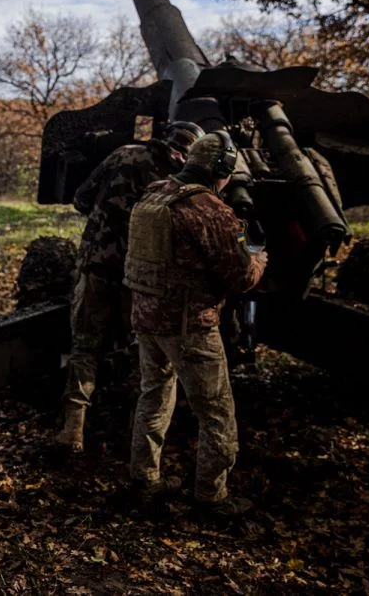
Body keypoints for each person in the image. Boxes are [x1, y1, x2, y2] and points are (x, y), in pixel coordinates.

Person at [123, 131, 267, 516]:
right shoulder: (209, 210)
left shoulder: (154, 193)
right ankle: (211, 497)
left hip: (146, 316)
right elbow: (240, 279)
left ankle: (144, 478)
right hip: (189, 325)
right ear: (221, 170)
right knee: (217, 412)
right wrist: (259, 258)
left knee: (153, 396)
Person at [52, 122, 200, 453]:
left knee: (86, 347)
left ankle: (72, 429)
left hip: (97, 266)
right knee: (143, 351)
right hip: (140, 277)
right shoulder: (182, 180)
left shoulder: (123, 154)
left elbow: (81, 199)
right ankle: (135, 434)